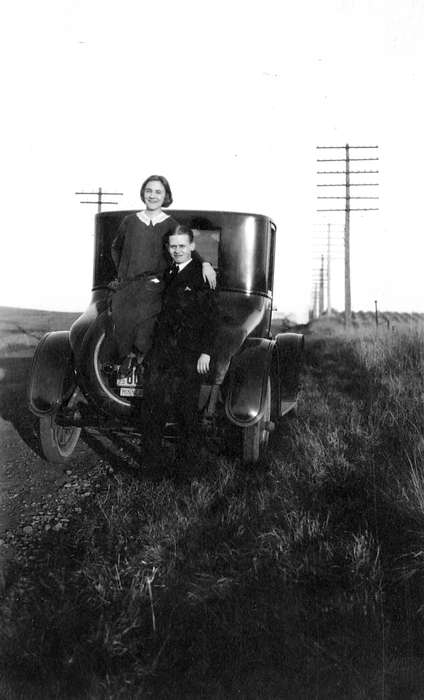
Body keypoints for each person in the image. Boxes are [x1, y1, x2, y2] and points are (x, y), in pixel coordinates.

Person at [110, 175, 216, 373]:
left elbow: (187, 248)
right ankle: (127, 360)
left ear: (165, 195)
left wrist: (205, 264)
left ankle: (142, 360)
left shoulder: (170, 223)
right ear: (143, 193)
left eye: (158, 192)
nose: (153, 196)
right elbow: (116, 248)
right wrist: (123, 272)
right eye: (149, 191)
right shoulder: (130, 222)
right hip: (129, 284)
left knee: (150, 323)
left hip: (155, 284)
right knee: (119, 319)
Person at [144, 224, 217, 458]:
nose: (177, 251)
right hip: (163, 351)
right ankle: (151, 469)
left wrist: (206, 352)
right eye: (173, 246)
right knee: (153, 410)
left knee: (186, 412)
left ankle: (187, 473)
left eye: (182, 246)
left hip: (189, 353)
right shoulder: (167, 272)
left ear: (192, 247)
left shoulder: (202, 274)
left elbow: (211, 317)